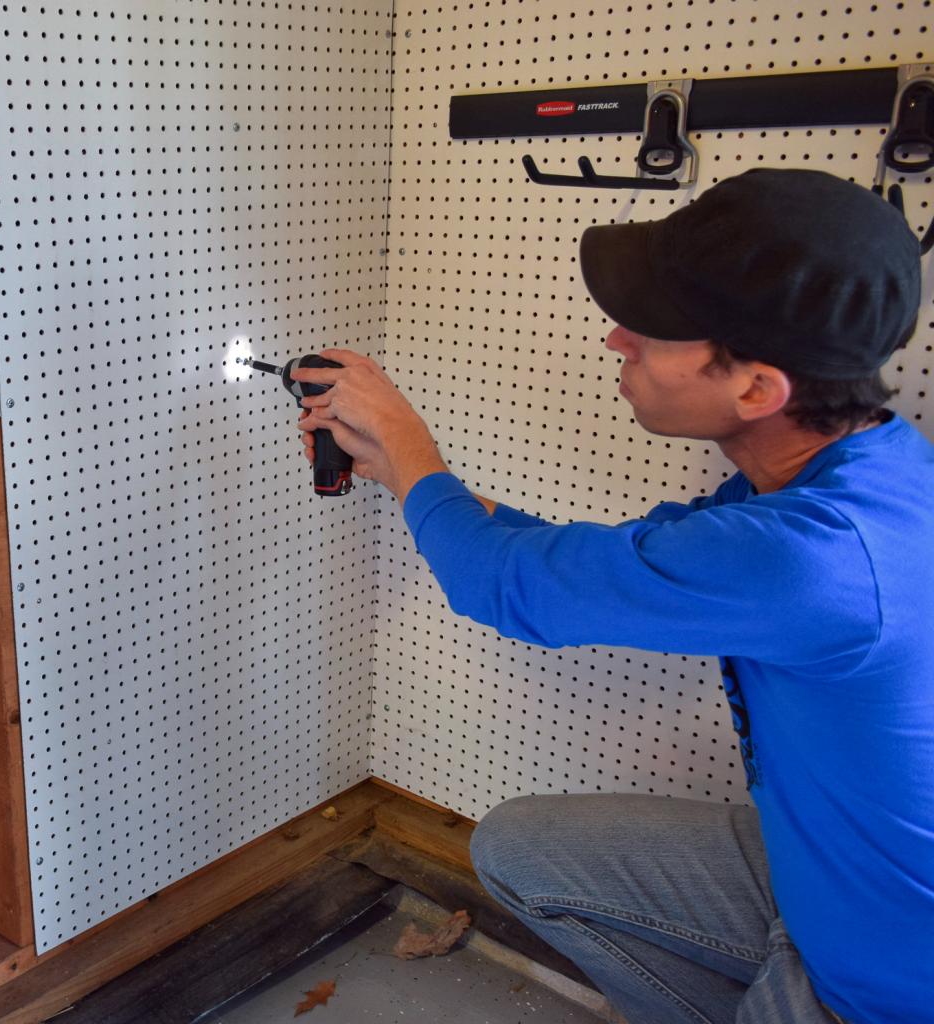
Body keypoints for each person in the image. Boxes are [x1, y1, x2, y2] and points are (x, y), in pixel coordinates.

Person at [290, 168, 933, 1024]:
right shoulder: (862, 469)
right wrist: (412, 481)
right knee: (523, 848)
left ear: (756, 388)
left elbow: (502, 587)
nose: (616, 340)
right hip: (816, 870)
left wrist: (410, 442)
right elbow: (589, 562)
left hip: (879, 982)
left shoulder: (813, 558)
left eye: (653, 330)